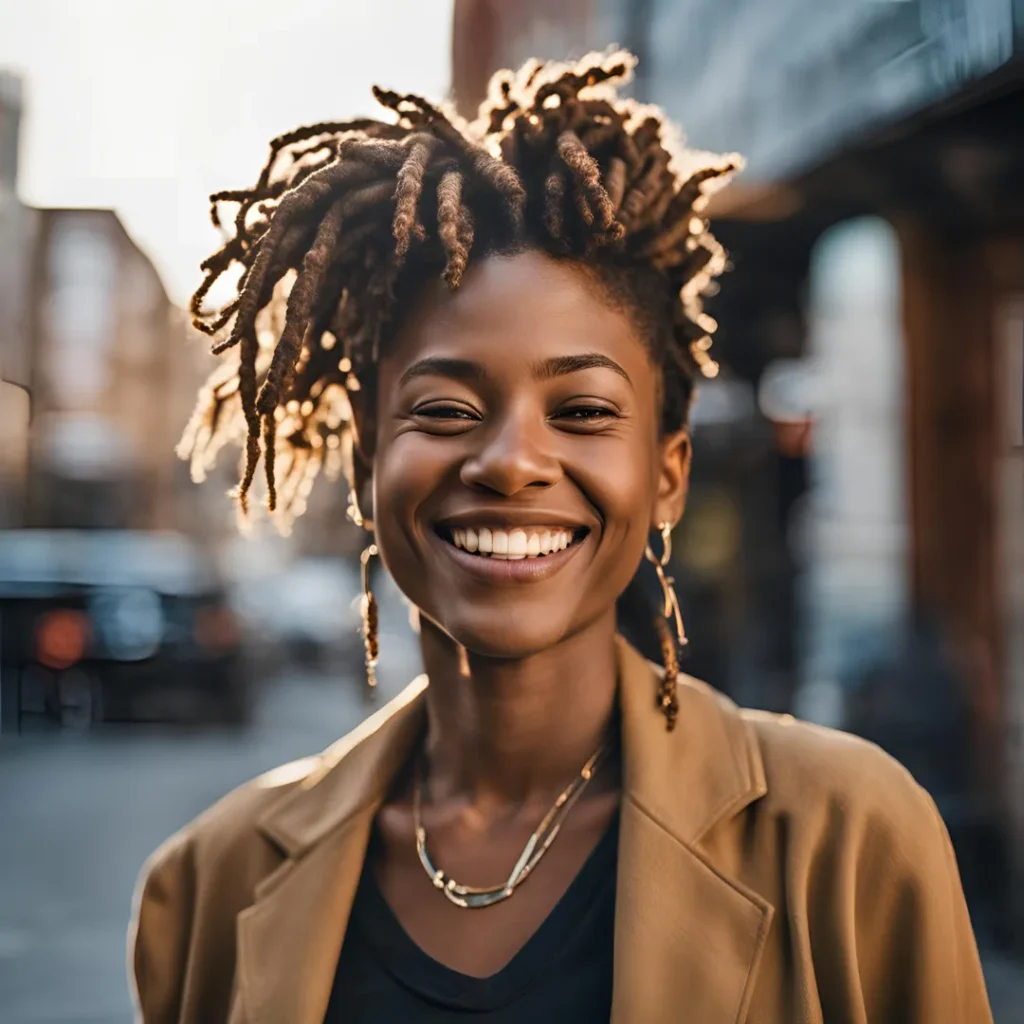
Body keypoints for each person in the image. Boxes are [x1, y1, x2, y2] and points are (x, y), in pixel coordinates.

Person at [130, 51, 993, 1023]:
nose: (509, 461)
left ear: (667, 472)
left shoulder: (848, 841)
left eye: (581, 409)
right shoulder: (209, 883)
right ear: (370, 458)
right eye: (447, 407)